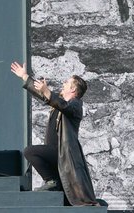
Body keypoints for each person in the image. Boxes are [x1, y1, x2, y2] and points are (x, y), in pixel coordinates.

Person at [11, 61, 99, 206]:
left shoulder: (75, 104)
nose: (63, 84)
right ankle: (54, 183)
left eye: (67, 83)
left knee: (30, 151)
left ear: (73, 90)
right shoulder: (61, 103)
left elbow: (61, 105)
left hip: (62, 153)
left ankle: (51, 181)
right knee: (64, 197)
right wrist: (25, 77)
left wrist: (47, 91)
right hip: (55, 152)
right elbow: (47, 97)